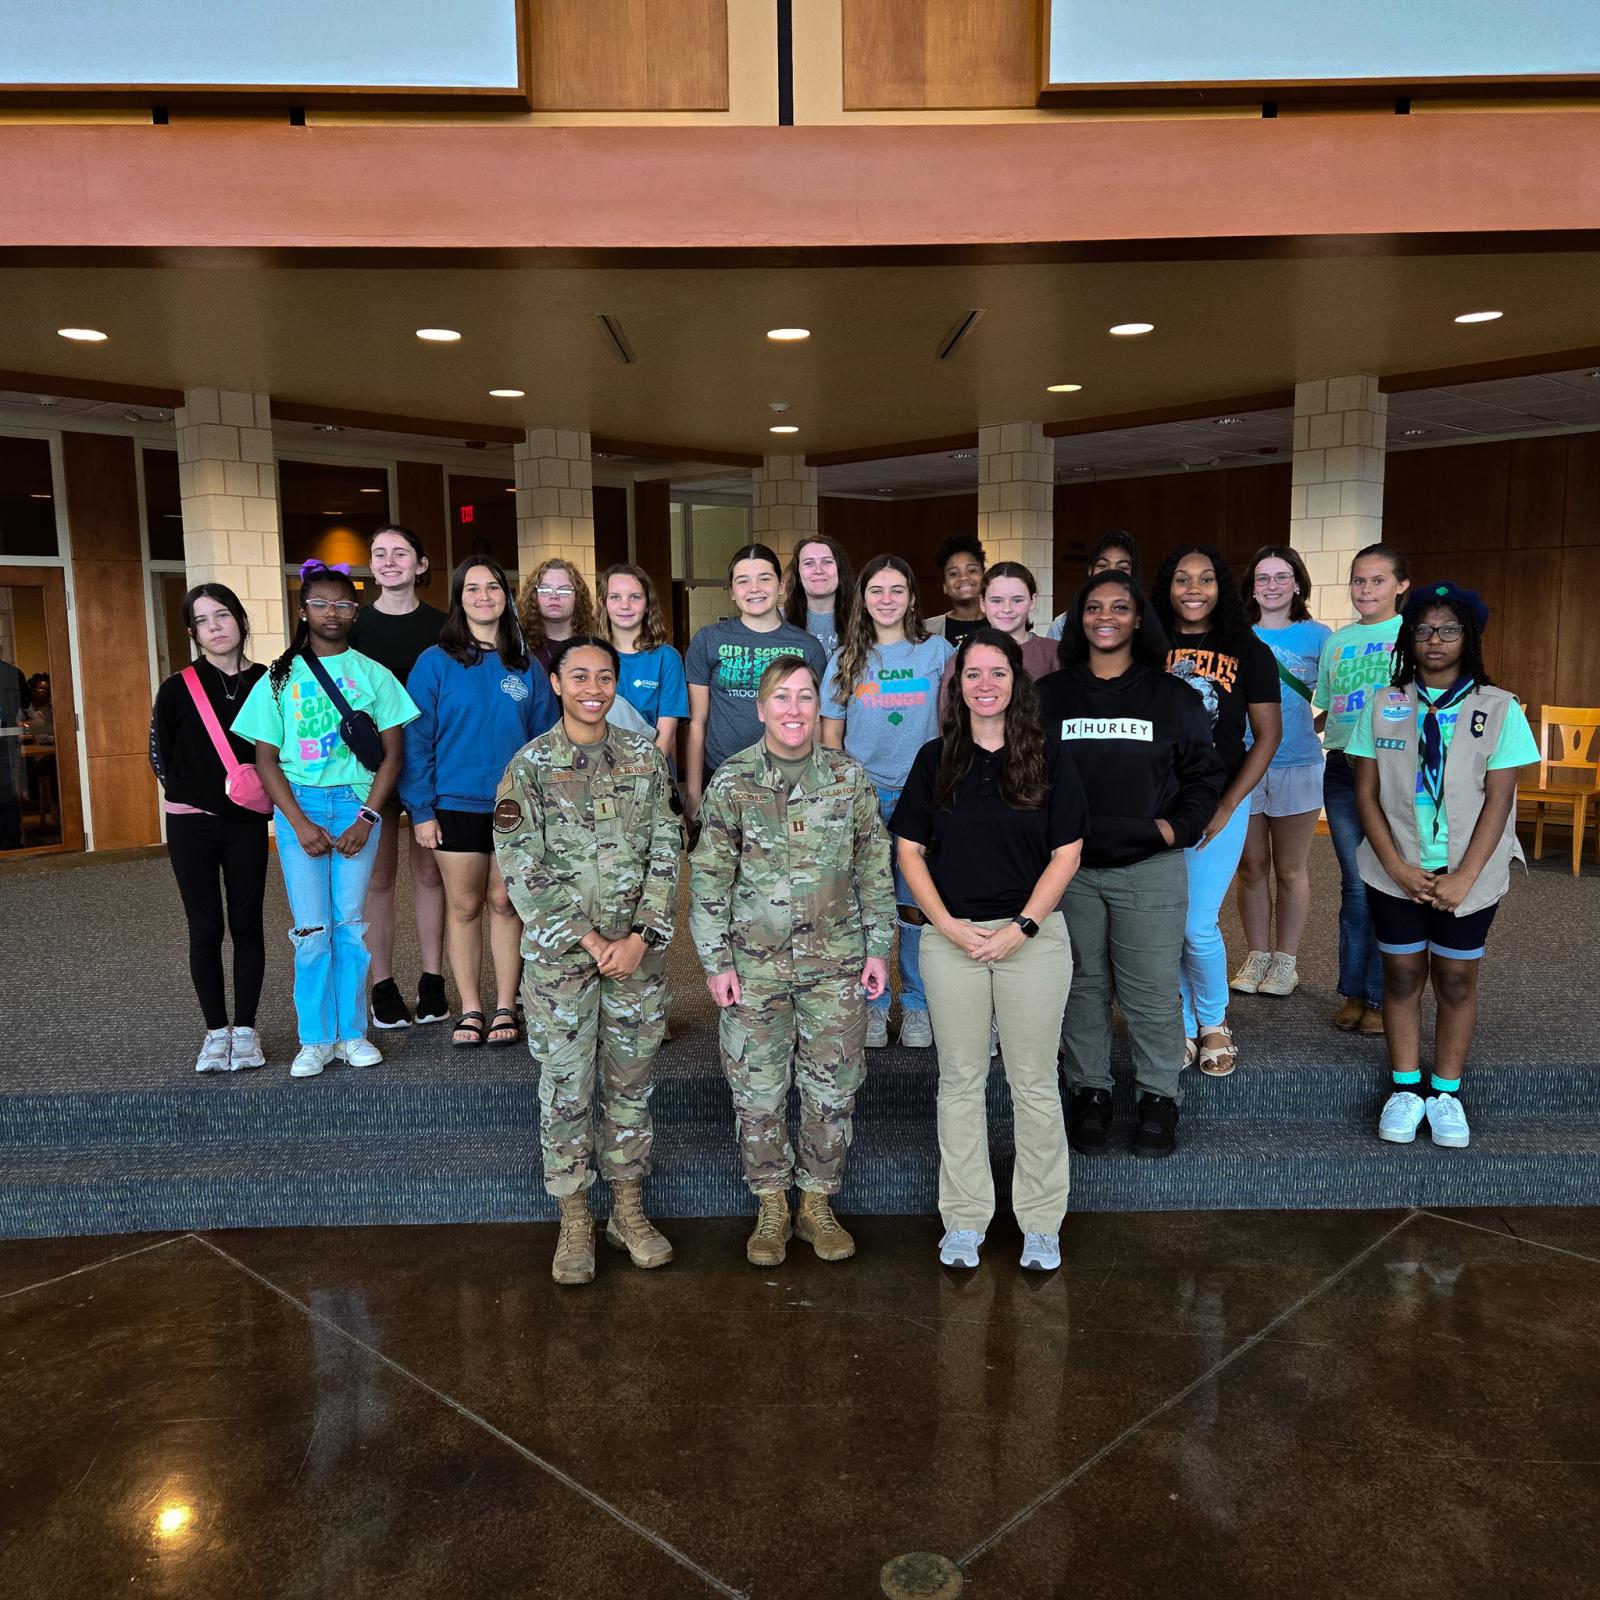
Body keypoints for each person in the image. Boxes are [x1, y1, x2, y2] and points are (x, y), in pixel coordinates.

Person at [689, 656, 895, 1267]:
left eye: (806, 697)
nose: (795, 710)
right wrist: (715, 961)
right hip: (754, 968)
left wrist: (880, 946)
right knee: (758, 1092)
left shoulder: (846, 778)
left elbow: (873, 870)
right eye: (782, 698)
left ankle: (817, 1203)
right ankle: (772, 1204)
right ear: (760, 708)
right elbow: (709, 880)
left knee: (832, 1092)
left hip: (836, 964)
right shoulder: (733, 782)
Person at [893, 630, 1086, 1271]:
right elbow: (909, 852)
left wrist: (1022, 928)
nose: (984, 684)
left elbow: (1067, 854)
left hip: (1031, 938)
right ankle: (966, 1220)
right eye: (971, 674)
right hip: (953, 941)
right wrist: (945, 926)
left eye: (996, 672)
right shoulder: (934, 759)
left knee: (1033, 1083)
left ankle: (1040, 1223)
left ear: (1015, 682)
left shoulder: (1049, 758)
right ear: (958, 687)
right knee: (960, 1082)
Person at [495, 636, 682, 1285]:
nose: (593, 687)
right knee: (568, 1089)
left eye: (605, 676)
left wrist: (640, 936)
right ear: (557, 683)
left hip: (637, 959)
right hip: (560, 963)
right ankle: (575, 1218)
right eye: (579, 676)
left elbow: (666, 851)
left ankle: (626, 1211)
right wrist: (590, 938)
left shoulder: (645, 760)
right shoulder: (530, 767)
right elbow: (522, 868)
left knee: (630, 1085)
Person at [1038, 571, 1223, 1158]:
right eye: (1093, 607)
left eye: (1120, 607)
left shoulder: (1173, 697)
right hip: (1070, 871)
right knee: (1083, 988)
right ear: (1079, 619)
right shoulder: (1050, 695)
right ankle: (1089, 1092)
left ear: (1139, 619)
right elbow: (1028, 777)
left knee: (1150, 992)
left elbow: (1204, 778)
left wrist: (1172, 828)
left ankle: (1157, 1098)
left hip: (1150, 868)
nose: (1106, 617)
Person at [1350, 583, 1539, 1151]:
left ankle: (1447, 1092)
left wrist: (1464, 877)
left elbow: (1500, 800)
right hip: (1395, 869)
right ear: (1410, 636)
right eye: (1424, 630)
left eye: (1449, 630)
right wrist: (1397, 867)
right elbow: (1365, 792)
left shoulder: (1500, 708)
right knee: (1403, 975)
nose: (1435, 640)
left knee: (1456, 979)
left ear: (1469, 638)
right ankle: (1406, 1087)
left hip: (1470, 873)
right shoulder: (1384, 704)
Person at [233, 560, 419, 1080]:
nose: (331, 612)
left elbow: (392, 755)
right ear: (303, 610)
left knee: (351, 928)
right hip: (302, 807)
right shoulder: (278, 676)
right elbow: (265, 759)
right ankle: (315, 1039)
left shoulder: (374, 675)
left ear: (354, 611)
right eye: (321, 603)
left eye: (342, 604)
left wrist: (366, 816)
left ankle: (353, 1034)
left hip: (357, 805)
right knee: (313, 930)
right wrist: (296, 822)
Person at [400, 558, 557, 1050]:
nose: (483, 595)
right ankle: (471, 1007)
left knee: (506, 903)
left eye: (493, 586)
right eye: (472, 587)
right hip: (453, 803)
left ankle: (507, 1005)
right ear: (459, 597)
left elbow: (544, 743)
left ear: (506, 597)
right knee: (465, 906)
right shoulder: (435, 662)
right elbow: (416, 741)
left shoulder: (525, 664)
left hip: (516, 809)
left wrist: (544, 809)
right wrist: (421, 811)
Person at [1151, 544, 1281, 1078]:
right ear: (1167, 588)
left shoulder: (1248, 650)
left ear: (1222, 587)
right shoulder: (1146, 645)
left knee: (1197, 924)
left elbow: (1267, 736)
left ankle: (1213, 1022)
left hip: (1218, 799)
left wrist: (1229, 805)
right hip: (1155, 802)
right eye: (1182, 579)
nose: (1194, 589)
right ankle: (1180, 1022)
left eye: (1205, 579)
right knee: (1165, 923)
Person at [821, 554, 953, 1050]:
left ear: (913, 598)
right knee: (865, 907)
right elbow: (831, 735)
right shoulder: (846, 659)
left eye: (897, 590)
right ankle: (873, 1007)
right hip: (864, 796)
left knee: (915, 904)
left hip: (923, 794)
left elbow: (953, 722)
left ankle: (917, 1006)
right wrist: (845, 793)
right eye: (876, 591)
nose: (887, 600)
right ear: (862, 599)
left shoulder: (936, 652)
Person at [149, 584, 270, 1073]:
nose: (216, 626)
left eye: (223, 615)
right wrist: (195, 793)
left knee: (246, 924)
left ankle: (245, 1030)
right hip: (190, 824)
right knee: (204, 927)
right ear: (193, 632)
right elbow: (160, 754)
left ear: (241, 620)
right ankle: (215, 1032)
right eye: (203, 620)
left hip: (246, 825)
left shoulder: (269, 681)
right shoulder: (176, 687)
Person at [349, 524, 448, 1032]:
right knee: (380, 879)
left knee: (431, 874)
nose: (389, 562)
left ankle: (433, 979)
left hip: (431, 765)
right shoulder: (354, 627)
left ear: (421, 564)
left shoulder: (445, 626)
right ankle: (382, 986)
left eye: (400, 553)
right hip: (373, 769)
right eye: (379, 553)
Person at [1317, 544, 1412, 1035]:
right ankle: (1354, 992)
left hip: (1395, 773)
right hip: (1343, 770)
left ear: (1401, 586)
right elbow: (1329, 707)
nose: (1366, 590)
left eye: (1377, 580)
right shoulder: (1338, 642)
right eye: (1358, 581)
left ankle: (1381, 999)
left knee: (1388, 886)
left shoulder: (1412, 635)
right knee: (1355, 887)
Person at [1230, 547, 1332, 1000]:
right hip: (1244, 765)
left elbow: (1339, 693)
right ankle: (1256, 955)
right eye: (1263, 577)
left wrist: (1313, 726)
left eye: (1281, 577)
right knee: (1250, 867)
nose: (1272, 585)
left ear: (1297, 584)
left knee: (1291, 869)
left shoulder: (1318, 637)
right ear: (1251, 586)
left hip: (1298, 765)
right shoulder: (1235, 635)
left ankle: (1285, 961)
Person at [683, 544, 828, 821]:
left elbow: (817, 722)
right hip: (723, 775)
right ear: (731, 591)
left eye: (764, 578)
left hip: (790, 776)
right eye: (743, 581)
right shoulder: (708, 640)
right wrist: (692, 791)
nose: (754, 588)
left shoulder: (807, 647)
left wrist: (813, 783)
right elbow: (698, 722)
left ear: (781, 585)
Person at [598, 562, 687, 764]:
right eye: (615, 597)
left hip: (651, 769)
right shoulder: (589, 654)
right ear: (603, 603)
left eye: (635, 597)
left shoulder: (667, 658)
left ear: (648, 604)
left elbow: (667, 734)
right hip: (598, 772)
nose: (625, 605)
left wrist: (645, 778)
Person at [938, 560, 1058, 697]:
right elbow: (950, 713)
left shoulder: (1054, 654)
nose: (1007, 609)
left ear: (1033, 601)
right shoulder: (964, 657)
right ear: (983, 603)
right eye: (996, 601)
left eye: (1017, 600)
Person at [1045, 531, 1142, 640]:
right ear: (1090, 570)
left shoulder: (1146, 623)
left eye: (1122, 568)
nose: (1111, 573)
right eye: (1103, 565)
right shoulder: (1062, 625)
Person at [517, 557, 597, 674]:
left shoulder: (594, 644)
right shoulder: (520, 646)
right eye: (545, 589)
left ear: (578, 597)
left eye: (564, 590)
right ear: (533, 596)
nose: (554, 596)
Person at [781, 536, 855, 658]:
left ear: (840, 570)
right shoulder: (779, 620)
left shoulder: (863, 619)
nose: (818, 570)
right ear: (798, 575)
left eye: (827, 562)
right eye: (809, 563)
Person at [925, 534, 987, 647]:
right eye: (953, 573)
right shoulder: (926, 630)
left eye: (972, 570)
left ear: (984, 577)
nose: (963, 577)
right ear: (944, 585)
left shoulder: (1002, 623)